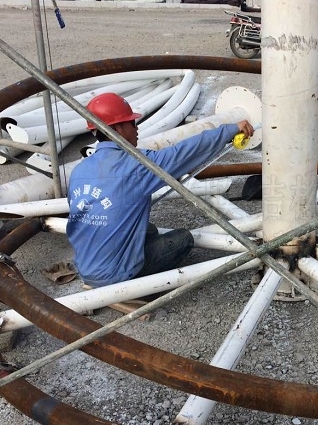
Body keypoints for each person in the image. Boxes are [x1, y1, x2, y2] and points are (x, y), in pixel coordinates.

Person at [66, 92, 254, 288]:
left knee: (149, 230)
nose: (137, 128)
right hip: (115, 274)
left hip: (86, 267)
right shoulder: (136, 166)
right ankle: (136, 285)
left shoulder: (80, 169)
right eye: (132, 123)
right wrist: (229, 130)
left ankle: (104, 270)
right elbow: (185, 152)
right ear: (118, 128)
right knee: (183, 238)